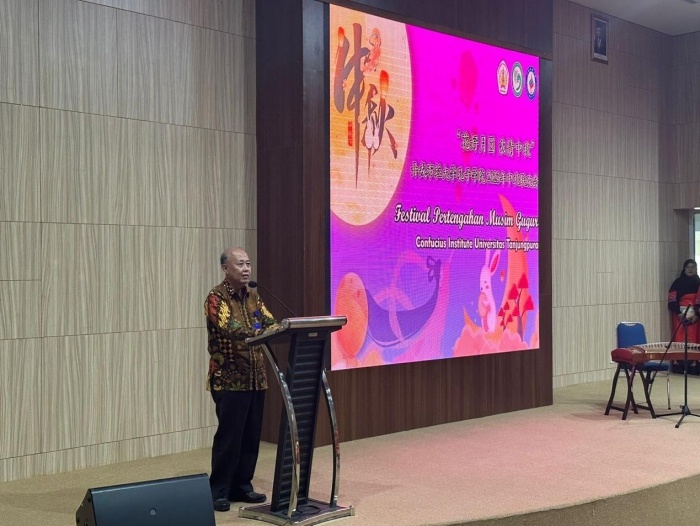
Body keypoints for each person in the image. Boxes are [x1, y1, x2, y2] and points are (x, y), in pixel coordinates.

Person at [205, 247, 278, 512]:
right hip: (229, 379)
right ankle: (218, 490)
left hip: (256, 378)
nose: (246, 269)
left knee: (250, 435)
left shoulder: (254, 297)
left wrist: (274, 328)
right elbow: (230, 328)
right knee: (230, 437)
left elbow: (270, 322)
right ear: (226, 268)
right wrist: (259, 331)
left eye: (248, 264)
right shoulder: (216, 297)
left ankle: (242, 485)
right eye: (240, 264)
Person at [667, 258, 700, 344]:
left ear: (696, 269)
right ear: (684, 269)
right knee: (680, 341)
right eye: (688, 267)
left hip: (696, 317)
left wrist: (697, 315)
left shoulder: (699, 283)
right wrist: (679, 314)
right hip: (680, 316)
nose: (690, 269)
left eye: (692, 267)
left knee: (694, 342)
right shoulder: (677, 283)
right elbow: (672, 300)